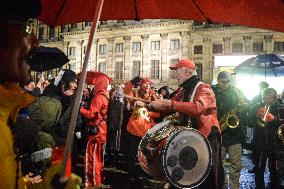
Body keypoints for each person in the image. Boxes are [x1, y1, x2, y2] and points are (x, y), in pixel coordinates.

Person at [150, 59, 223, 189]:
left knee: (208, 175)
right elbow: (171, 105)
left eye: (177, 71)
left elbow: (197, 108)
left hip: (207, 136)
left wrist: (170, 104)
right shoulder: (182, 90)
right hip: (192, 136)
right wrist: (153, 106)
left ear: (188, 71)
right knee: (190, 174)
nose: (175, 75)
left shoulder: (204, 87)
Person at [212, 71, 249, 189]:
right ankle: (222, 186)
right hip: (219, 133)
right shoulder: (211, 91)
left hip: (235, 133)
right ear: (218, 80)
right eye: (223, 82)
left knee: (236, 166)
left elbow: (247, 103)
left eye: (228, 82)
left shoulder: (236, 91)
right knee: (220, 166)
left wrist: (243, 106)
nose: (226, 84)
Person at [80, 71, 112, 188]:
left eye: (95, 83)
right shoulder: (105, 96)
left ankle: (92, 182)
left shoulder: (98, 98)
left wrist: (80, 108)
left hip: (96, 132)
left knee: (92, 159)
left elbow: (91, 114)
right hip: (102, 131)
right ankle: (98, 180)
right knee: (99, 158)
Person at [124, 77, 159, 181]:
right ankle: (130, 172)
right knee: (132, 152)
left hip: (146, 130)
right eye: (145, 83)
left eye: (149, 84)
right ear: (141, 84)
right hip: (133, 129)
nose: (148, 85)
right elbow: (126, 92)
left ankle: (145, 171)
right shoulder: (134, 94)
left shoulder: (153, 96)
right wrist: (131, 82)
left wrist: (147, 110)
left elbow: (158, 113)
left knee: (146, 153)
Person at [250, 88, 282, 189]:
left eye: (269, 99)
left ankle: (274, 186)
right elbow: (249, 123)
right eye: (265, 98)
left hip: (275, 144)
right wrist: (255, 115)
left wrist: (273, 119)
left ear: (275, 98)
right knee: (259, 170)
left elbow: (282, 124)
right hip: (260, 143)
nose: (267, 101)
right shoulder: (256, 106)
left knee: (275, 170)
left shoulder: (280, 108)